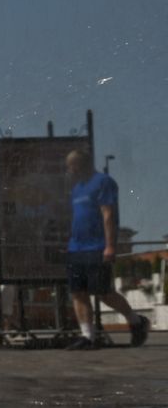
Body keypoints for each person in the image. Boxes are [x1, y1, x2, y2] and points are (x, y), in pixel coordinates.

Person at [64, 149, 149, 350]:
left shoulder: (103, 182)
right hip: (76, 247)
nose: (70, 170)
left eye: (72, 166)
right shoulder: (77, 189)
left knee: (103, 292)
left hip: (97, 246)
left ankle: (136, 321)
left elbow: (108, 213)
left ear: (82, 164)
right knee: (77, 292)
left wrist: (110, 245)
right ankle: (87, 336)